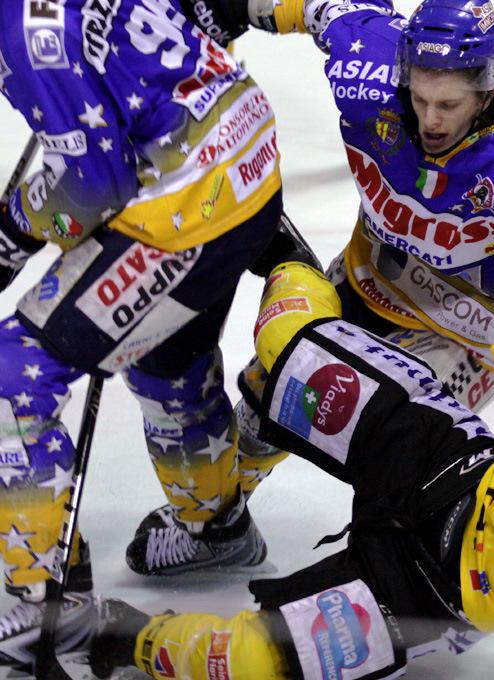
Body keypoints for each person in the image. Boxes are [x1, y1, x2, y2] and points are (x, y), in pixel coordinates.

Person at [129, 0, 494, 573]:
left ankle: (393, 584)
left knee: (397, 460)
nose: (430, 120)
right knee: (268, 403)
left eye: (449, 105)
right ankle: (218, 533)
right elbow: (323, 6)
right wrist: (201, 12)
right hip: (368, 282)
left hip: (466, 336)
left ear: (487, 90)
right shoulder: (370, 68)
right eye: (420, 98)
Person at [89, 256, 494, 680]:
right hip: (438, 456)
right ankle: (272, 239)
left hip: (427, 595)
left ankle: (123, 637)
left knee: (251, 661)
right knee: (285, 344)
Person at [0, 0, 285, 664]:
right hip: (245, 164)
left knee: (12, 376)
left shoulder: (29, 30)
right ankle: (215, 526)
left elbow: (93, 184)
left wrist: (15, 228)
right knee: (165, 362)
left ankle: (48, 614)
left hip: (188, 205)